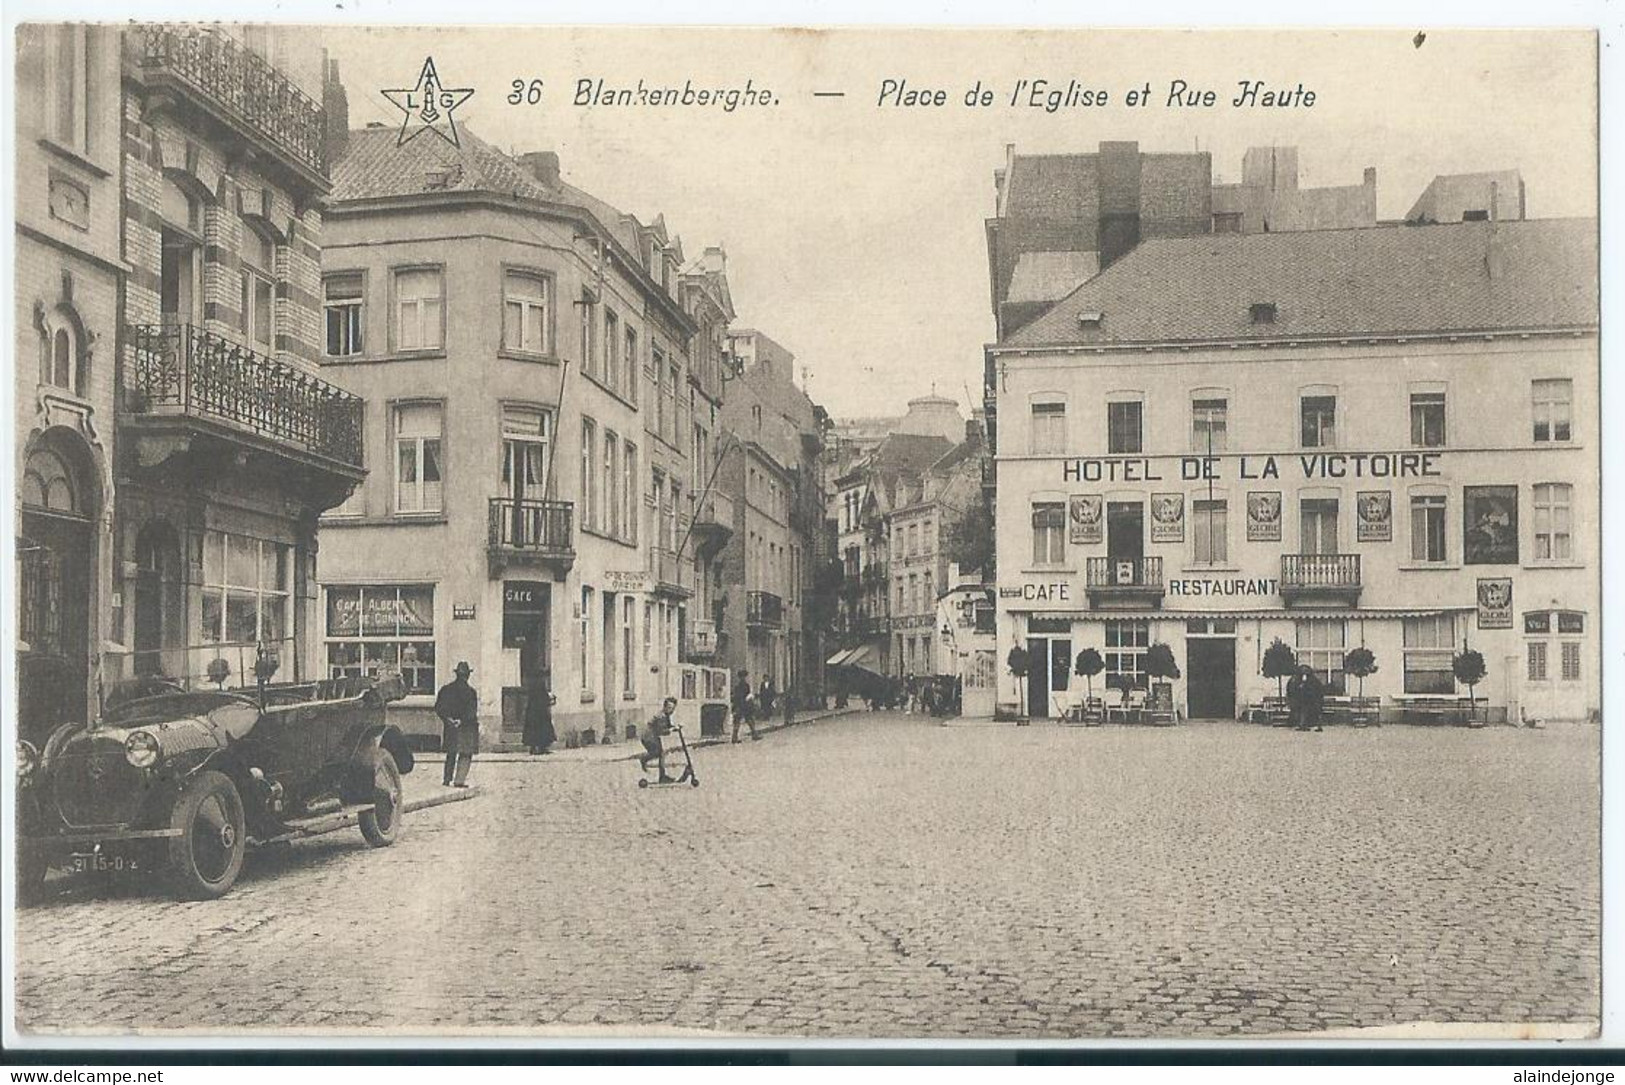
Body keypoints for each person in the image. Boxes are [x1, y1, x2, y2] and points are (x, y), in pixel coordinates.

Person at [435, 661, 480, 787]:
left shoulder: (446, 690)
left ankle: (446, 779)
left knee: (451, 753)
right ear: (467, 675)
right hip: (466, 727)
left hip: (450, 726)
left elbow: (439, 707)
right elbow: (472, 711)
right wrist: (462, 721)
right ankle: (459, 780)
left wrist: (448, 719)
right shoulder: (471, 692)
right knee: (465, 753)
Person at [640, 696, 678, 782]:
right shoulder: (661, 716)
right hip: (648, 736)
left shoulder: (666, 715)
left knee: (661, 754)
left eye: (672, 708)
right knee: (658, 753)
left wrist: (674, 727)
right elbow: (661, 730)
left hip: (653, 735)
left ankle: (662, 776)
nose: (671, 710)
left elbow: (667, 726)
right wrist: (671, 730)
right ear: (664, 707)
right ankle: (644, 759)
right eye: (669, 708)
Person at [523, 671, 556, 755]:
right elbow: (543, 696)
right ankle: (542, 747)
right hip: (540, 712)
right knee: (542, 729)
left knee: (533, 729)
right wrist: (549, 699)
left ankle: (534, 748)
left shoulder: (531, 684)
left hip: (532, 711)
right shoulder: (540, 685)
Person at [732, 671, 757, 743]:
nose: (743, 678)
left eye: (744, 676)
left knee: (743, 721)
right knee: (745, 720)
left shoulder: (738, 686)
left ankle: (735, 738)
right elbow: (744, 696)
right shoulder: (745, 686)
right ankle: (735, 737)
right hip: (743, 705)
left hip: (741, 705)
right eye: (742, 677)